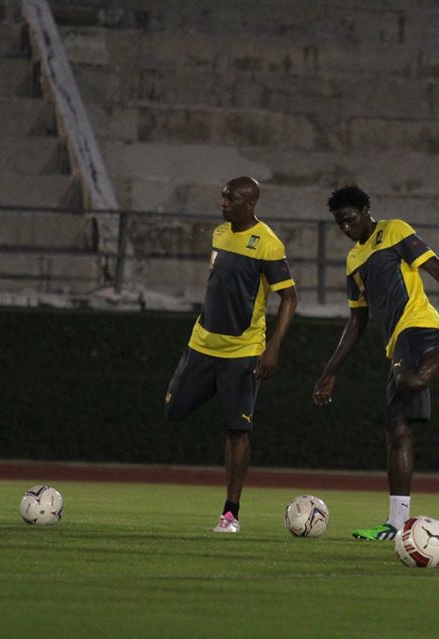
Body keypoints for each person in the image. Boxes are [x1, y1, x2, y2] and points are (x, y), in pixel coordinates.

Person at [313, 185, 439, 541]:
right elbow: (357, 322)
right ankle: (396, 524)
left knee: (411, 380)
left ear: (366, 209)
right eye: (339, 224)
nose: (346, 228)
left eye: (350, 219)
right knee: (397, 429)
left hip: (418, 325)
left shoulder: (394, 230)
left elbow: (436, 268)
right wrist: (330, 372)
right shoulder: (353, 260)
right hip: (396, 343)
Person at [165, 176, 297, 534]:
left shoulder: (268, 243)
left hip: (243, 351)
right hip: (202, 345)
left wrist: (273, 347)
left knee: (236, 430)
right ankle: (221, 391)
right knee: (173, 409)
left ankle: (230, 512)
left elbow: (289, 297)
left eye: (231, 198)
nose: (223, 203)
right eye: (223, 197)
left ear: (250, 203)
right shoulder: (220, 234)